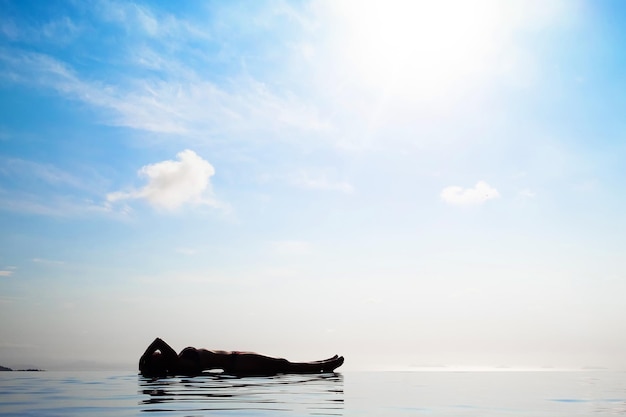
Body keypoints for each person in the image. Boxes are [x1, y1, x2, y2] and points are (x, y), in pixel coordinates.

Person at [139, 337, 344, 377]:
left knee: (283, 364)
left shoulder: (176, 362)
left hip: (236, 358)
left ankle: (323, 363)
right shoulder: (175, 363)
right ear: (159, 361)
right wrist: (144, 359)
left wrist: (145, 362)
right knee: (283, 365)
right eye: (155, 356)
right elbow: (158, 341)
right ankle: (324, 367)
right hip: (237, 362)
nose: (157, 353)